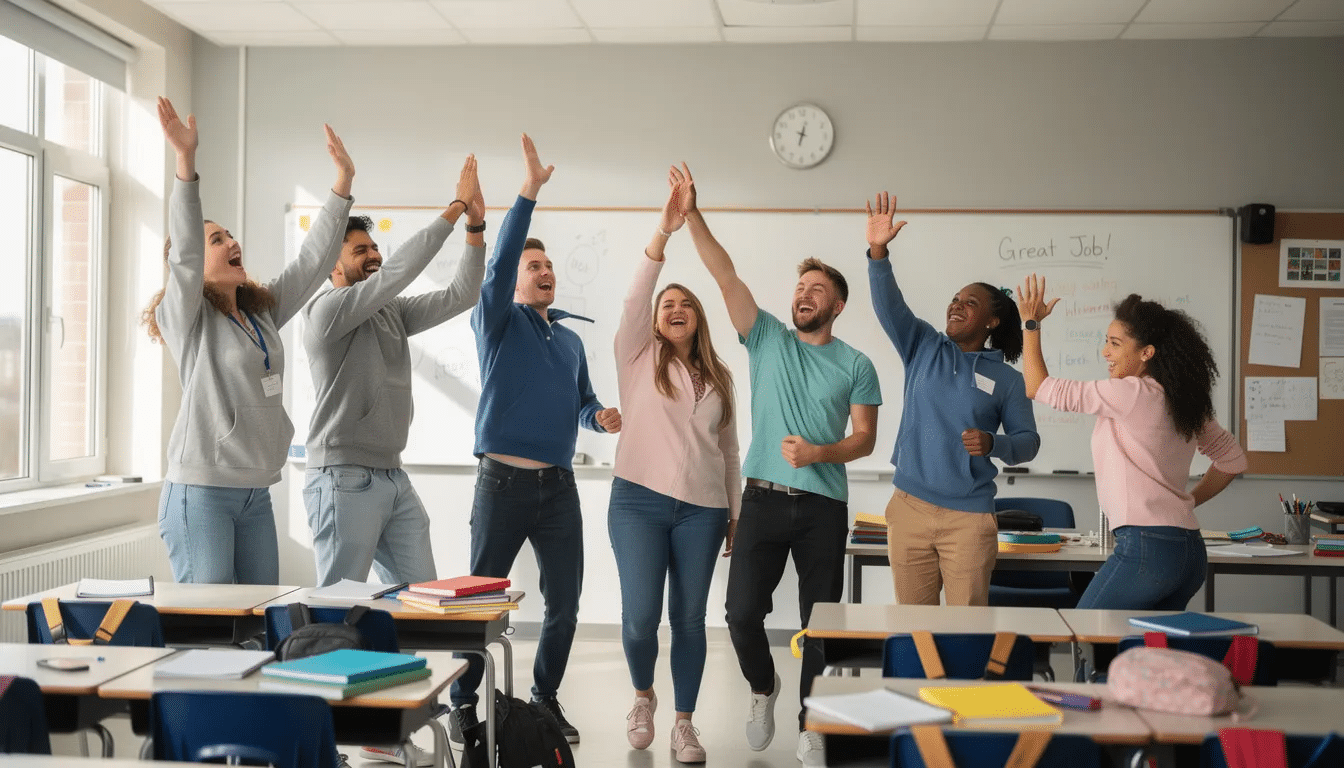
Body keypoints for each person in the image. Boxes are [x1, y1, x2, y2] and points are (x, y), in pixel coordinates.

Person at [676, 163, 881, 768]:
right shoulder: (765, 336)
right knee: (741, 614)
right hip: (763, 499)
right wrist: (691, 213)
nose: (804, 296)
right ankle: (763, 690)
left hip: (823, 507)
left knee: (822, 623)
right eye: (801, 288)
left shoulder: (856, 364)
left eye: (817, 290)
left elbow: (866, 440)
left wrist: (821, 453)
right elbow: (723, 272)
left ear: (837, 304)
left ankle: (813, 721)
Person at [448, 134, 621, 746]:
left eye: (548, 267)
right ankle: (464, 705)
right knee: (478, 600)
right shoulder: (496, 322)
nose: (544, 272)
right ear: (516, 282)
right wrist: (528, 193)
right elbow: (495, 268)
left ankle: (544, 699)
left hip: (559, 487)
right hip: (501, 483)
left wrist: (597, 417)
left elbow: (583, 403)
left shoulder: (570, 341)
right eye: (534, 266)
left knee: (565, 603)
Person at [143, 97, 354, 585]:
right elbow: (186, 256)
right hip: (200, 492)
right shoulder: (184, 318)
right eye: (217, 240)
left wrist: (342, 185)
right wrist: (185, 163)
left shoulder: (259, 312)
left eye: (231, 235)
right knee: (212, 629)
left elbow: (312, 264)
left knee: (259, 623)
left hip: (255, 491)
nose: (231, 242)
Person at [301, 155, 487, 592]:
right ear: (331, 266)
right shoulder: (325, 311)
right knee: (338, 605)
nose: (375, 255)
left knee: (424, 600)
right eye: (360, 250)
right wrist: (455, 206)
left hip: (392, 476)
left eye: (375, 247)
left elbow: (463, 294)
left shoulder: (391, 311)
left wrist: (475, 229)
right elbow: (400, 272)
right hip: (342, 477)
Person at [1016, 274, 1247, 610]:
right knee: (1147, 655)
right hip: (1189, 551)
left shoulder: (1131, 392)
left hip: (1147, 550)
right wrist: (1185, 504)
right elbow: (1233, 461)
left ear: (1146, 353)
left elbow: (1037, 386)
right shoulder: (1182, 399)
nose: (1105, 351)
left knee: (1085, 633)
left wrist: (1030, 324)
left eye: (1115, 343)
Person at [610, 169, 740, 763]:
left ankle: (684, 722)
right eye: (669, 304)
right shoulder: (638, 354)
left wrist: (735, 513)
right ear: (656, 319)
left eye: (687, 303)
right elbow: (638, 297)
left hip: (704, 510)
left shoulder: (719, 376)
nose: (677, 308)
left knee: (688, 619)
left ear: (699, 318)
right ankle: (644, 697)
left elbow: (729, 451)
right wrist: (664, 231)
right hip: (637, 500)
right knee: (640, 619)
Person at [864, 191, 1040, 607]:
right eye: (955, 300)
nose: (957, 306)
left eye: (970, 303)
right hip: (909, 508)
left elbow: (1028, 442)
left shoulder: (1007, 380)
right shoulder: (923, 344)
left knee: (966, 632)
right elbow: (889, 305)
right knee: (914, 632)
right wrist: (878, 253)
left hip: (969, 519)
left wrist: (994, 443)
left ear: (992, 321)